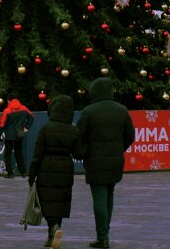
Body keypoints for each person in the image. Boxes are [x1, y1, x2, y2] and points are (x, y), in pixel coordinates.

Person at [75, 77, 135, 249]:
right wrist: (119, 148)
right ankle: (104, 233)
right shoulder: (121, 110)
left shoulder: (88, 111)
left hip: (95, 160)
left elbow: (80, 136)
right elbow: (130, 135)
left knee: (99, 198)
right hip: (115, 159)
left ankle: (102, 236)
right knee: (109, 194)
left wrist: (83, 153)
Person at [28, 94, 79, 249]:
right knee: (60, 201)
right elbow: (78, 153)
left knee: (47, 201)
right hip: (65, 167)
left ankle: (53, 227)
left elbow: (37, 154)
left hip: (46, 167)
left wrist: (32, 175)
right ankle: (53, 234)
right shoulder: (73, 130)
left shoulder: (46, 128)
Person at [1, 93, 34, 178]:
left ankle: (10, 173)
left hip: (9, 135)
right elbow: (31, 117)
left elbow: (2, 124)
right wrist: (26, 127)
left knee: (8, 154)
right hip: (19, 134)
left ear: (8, 100)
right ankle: (23, 172)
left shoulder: (7, 111)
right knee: (19, 152)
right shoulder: (23, 108)